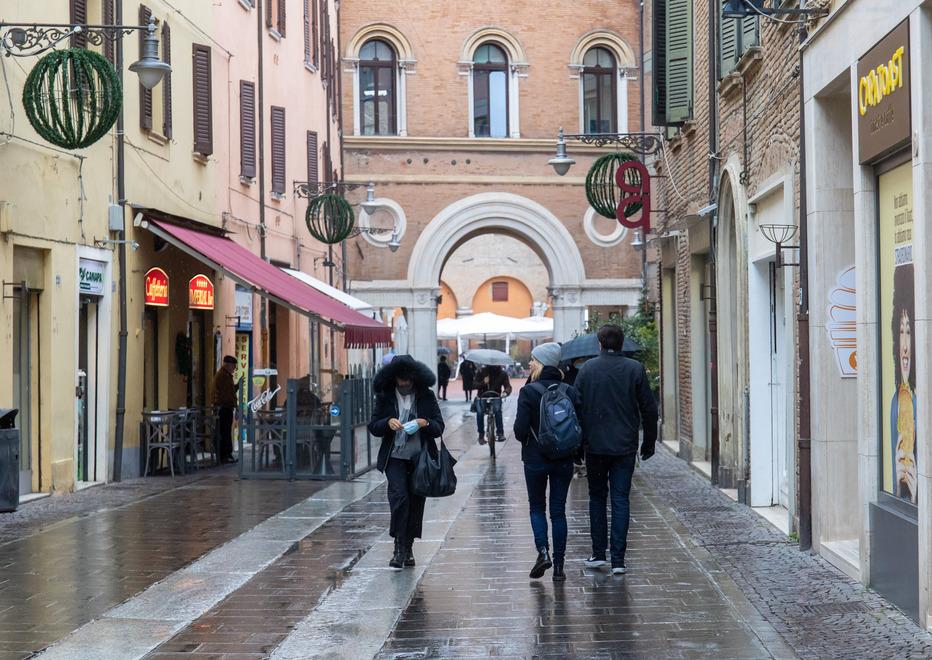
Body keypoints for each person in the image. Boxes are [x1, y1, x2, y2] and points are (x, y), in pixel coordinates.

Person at [575, 324, 658, 575]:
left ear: (599, 343)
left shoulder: (587, 369)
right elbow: (649, 409)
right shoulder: (634, 369)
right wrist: (649, 441)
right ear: (621, 344)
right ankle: (619, 560)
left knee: (597, 498)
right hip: (624, 445)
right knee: (621, 499)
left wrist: (578, 446)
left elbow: (576, 407)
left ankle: (599, 553)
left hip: (595, 445)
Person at [368, 355, 445, 570]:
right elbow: (373, 426)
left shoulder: (426, 397)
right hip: (394, 458)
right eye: (400, 381)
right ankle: (398, 548)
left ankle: (408, 548)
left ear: (414, 379)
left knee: (415, 503)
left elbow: (439, 427)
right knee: (399, 498)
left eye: (408, 381)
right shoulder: (385, 397)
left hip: (420, 458)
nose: (404, 385)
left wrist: (424, 422)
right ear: (393, 379)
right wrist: (386, 422)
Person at [513, 342, 581, 582]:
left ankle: (543, 552)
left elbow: (519, 430)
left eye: (533, 359)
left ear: (541, 362)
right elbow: (577, 426)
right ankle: (560, 566)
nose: (529, 363)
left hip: (535, 459)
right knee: (558, 511)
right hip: (563, 458)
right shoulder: (569, 390)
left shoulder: (529, 391)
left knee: (537, 507)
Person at [890, 264, 918, 503]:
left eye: (910, 332)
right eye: (901, 331)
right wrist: (898, 486)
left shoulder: (919, 400)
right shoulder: (894, 402)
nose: (905, 346)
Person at [212, 355, 240, 464]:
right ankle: (224, 455)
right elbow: (226, 394)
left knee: (226, 431)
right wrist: (233, 404)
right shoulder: (223, 376)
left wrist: (237, 386)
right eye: (234, 366)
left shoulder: (226, 376)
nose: (234, 368)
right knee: (224, 431)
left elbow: (230, 391)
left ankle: (226, 454)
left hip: (226, 407)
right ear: (228, 365)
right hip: (224, 407)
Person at [475, 363, 512, 444]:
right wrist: (483, 382)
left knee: (498, 411)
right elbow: (474, 385)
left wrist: (505, 392)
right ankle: (481, 434)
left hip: (496, 396)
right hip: (482, 396)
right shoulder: (482, 372)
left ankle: (500, 433)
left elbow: (508, 386)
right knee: (480, 413)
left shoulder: (502, 373)